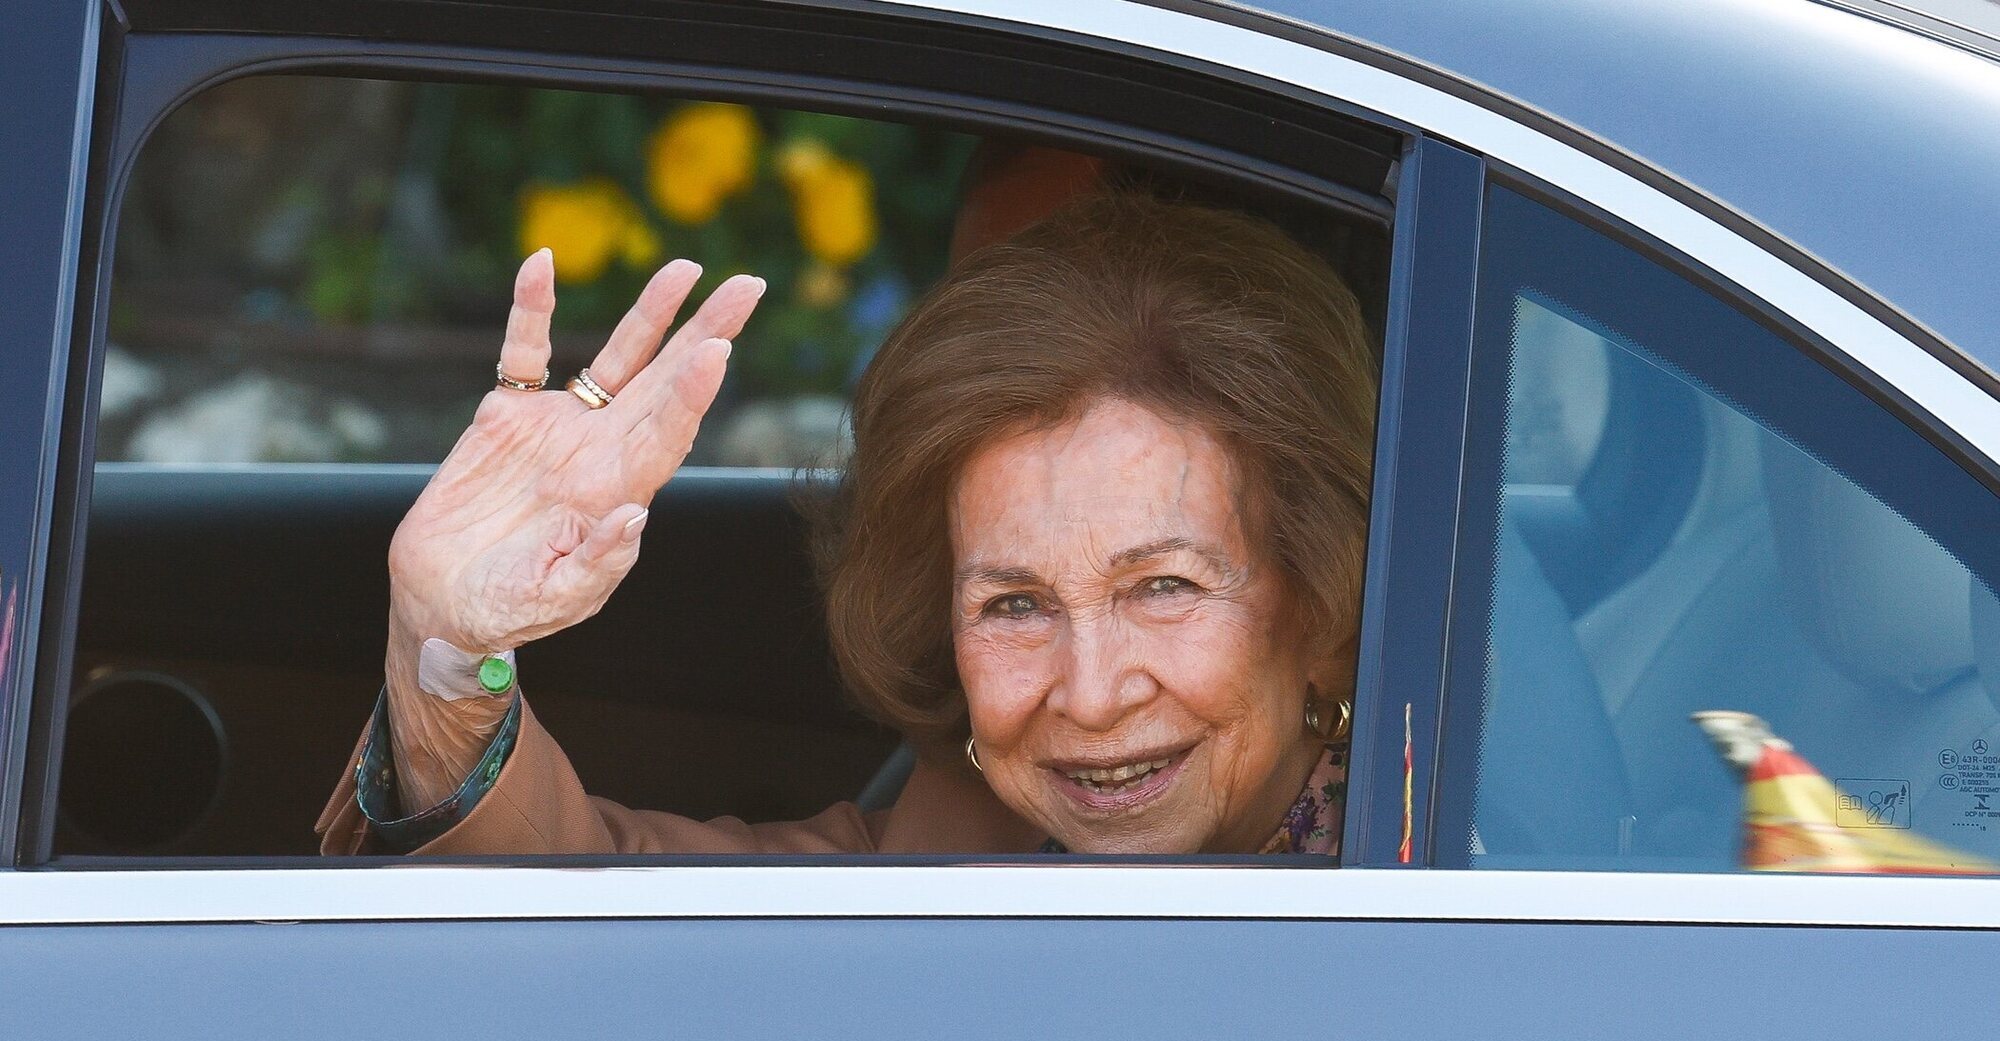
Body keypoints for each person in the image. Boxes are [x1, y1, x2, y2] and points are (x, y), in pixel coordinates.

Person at [314, 192, 1377, 856]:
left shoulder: (1464, 857)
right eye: (1012, 602)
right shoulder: (984, 830)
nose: (1090, 693)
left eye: (1163, 587)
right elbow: (609, 907)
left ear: (1319, 603)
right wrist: (445, 653)